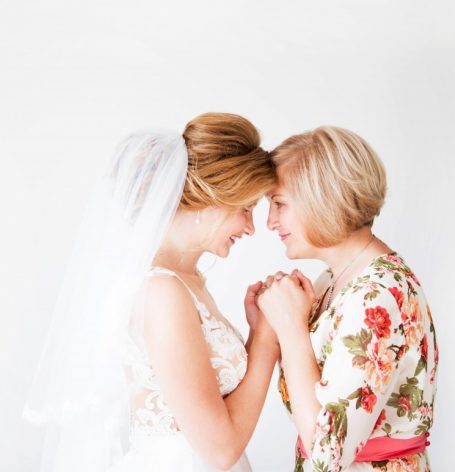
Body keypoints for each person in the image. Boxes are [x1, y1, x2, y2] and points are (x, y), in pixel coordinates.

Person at [23, 113, 280, 471]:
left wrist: (257, 333)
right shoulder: (162, 292)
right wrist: (268, 339)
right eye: (246, 209)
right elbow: (219, 450)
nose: (251, 227)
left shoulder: (183, 281)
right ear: (212, 199)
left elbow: (217, 410)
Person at [258, 126, 438, 471]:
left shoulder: (376, 295)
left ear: (322, 198)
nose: (270, 221)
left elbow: (328, 454)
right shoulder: (335, 278)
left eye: (279, 203)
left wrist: (292, 329)